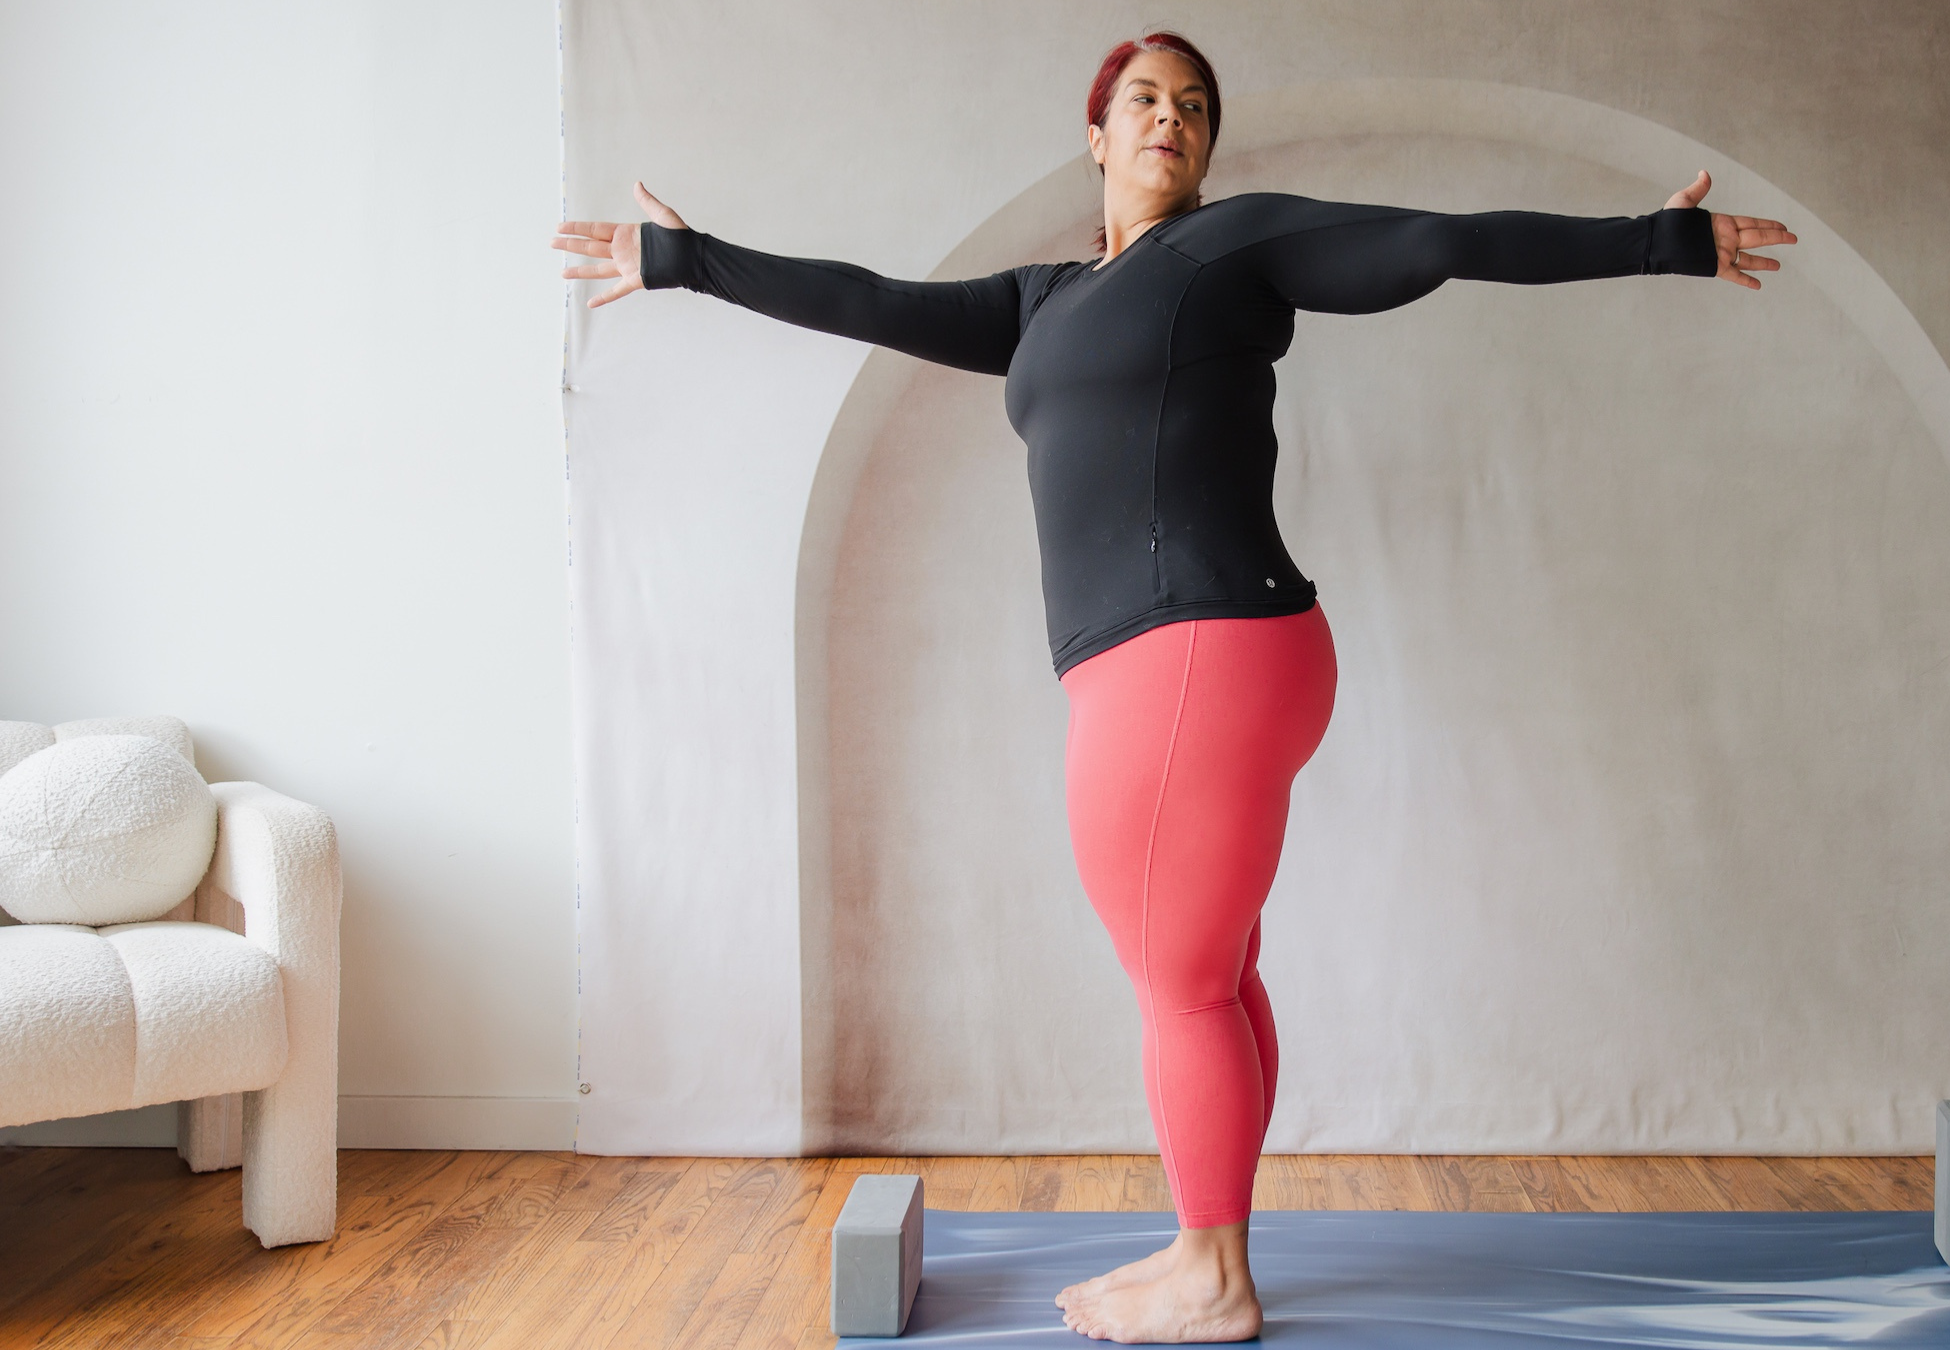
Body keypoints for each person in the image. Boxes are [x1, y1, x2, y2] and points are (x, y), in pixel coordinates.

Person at [553, 30, 1795, 1344]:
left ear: (1210, 144)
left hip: (1189, 654)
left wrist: (1652, 243)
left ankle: (1212, 1274)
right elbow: (870, 299)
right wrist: (689, 261)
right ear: (1096, 134)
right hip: (1197, 660)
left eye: (1195, 106)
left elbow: (1435, 240)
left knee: (1180, 986)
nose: (1172, 118)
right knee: (1218, 973)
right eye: (1145, 99)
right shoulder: (1043, 302)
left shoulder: (1234, 244)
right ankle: (1211, 1246)